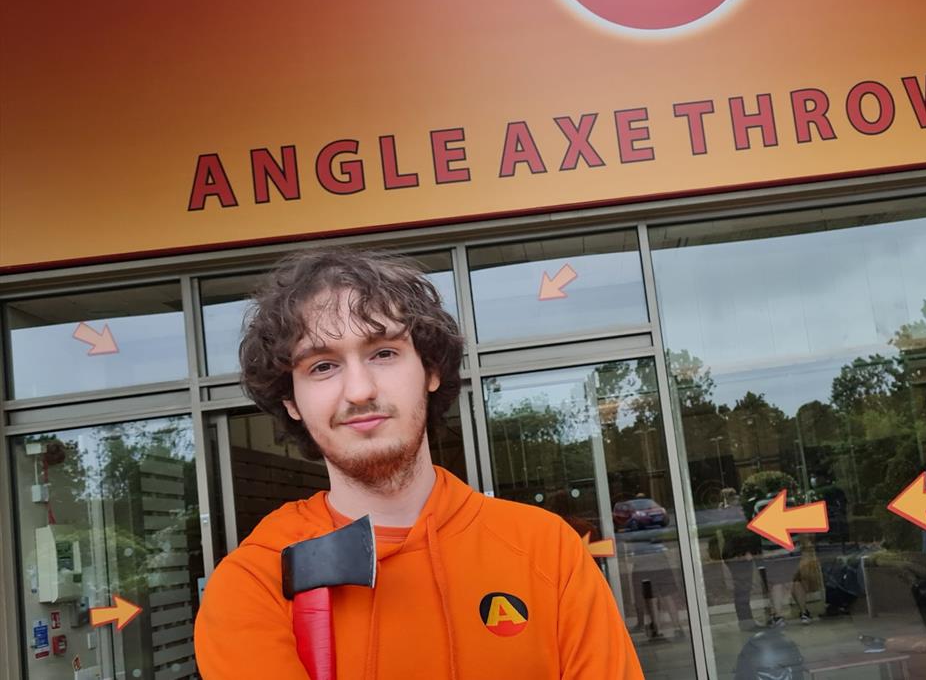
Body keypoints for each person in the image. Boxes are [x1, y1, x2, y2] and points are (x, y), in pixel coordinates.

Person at [194, 249, 643, 679]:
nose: (358, 390)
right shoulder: (256, 583)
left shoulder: (547, 551)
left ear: (430, 371)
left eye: (383, 353)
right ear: (291, 400)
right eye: (322, 366)